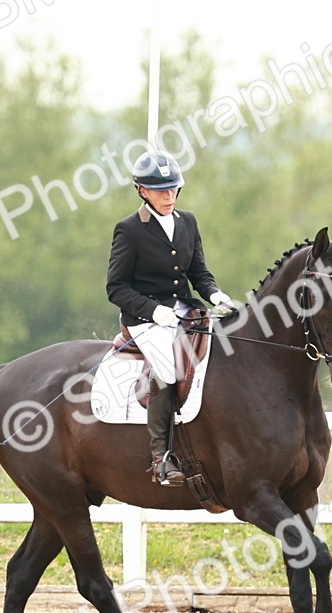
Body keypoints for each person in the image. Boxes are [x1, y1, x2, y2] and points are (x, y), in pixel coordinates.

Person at [106, 150, 239, 486]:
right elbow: (116, 288)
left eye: (173, 189)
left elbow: (198, 272)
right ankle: (161, 459)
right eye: (160, 191)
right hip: (144, 317)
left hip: (182, 310)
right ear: (142, 191)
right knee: (167, 369)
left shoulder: (187, 222)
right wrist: (153, 311)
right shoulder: (129, 230)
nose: (168, 196)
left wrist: (214, 294)